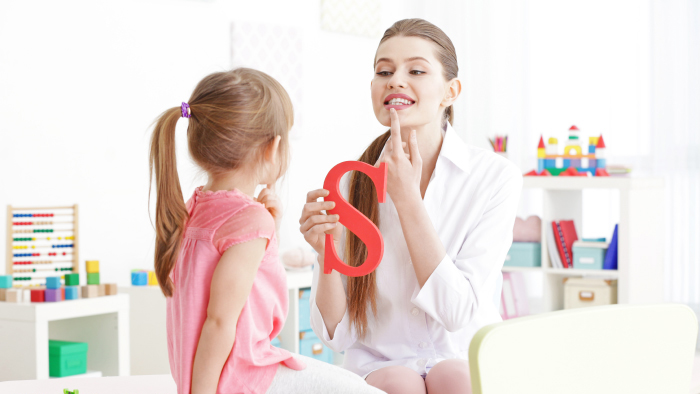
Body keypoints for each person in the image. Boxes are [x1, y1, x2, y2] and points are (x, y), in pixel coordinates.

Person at [299, 19, 522, 394]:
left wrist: (407, 200)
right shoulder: (351, 183)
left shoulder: (495, 177)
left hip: (462, 357)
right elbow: (337, 335)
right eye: (383, 71)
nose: (395, 80)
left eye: (415, 70)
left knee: (456, 378)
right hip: (380, 366)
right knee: (399, 383)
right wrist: (326, 255)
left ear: (451, 91)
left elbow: (456, 313)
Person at [149, 68, 384, 394]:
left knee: (349, 382)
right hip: (241, 376)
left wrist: (269, 225)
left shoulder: (193, 207)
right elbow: (219, 323)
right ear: (272, 148)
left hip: (217, 373)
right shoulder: (248, 219)